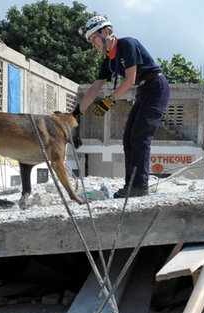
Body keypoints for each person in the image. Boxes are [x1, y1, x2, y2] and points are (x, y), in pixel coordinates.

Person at [78, 16, 170, 198]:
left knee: (140, 137)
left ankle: (140, 186)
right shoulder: (109, 60)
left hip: (156, 87)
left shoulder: (127, 44)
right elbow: (95, 87)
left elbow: (130, 80)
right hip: (143, 90)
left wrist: (109, 100)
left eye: (94, 39)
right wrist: (76, 113)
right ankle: (131, 185)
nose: (93, 44)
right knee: (128, 138)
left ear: (105, 32)